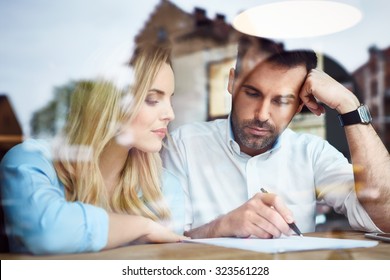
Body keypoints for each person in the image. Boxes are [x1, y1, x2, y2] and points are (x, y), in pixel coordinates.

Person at [162, 35, 390, 239]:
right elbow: (165, 246)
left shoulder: (312, 154)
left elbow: (386, 215)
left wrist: (349, 106)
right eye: (252, 93)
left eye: (281, 101)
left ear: (301, 102)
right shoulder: (183, 145)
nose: (262, 115)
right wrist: (221, 227)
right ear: (232, 82)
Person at [0, 44, 187, 254]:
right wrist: (142, 227)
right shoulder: (31, 161)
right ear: (109, 104)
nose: (170, 114)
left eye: (170, 98)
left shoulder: (163, 185)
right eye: (152, 100)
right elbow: (47, 234)